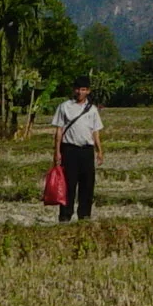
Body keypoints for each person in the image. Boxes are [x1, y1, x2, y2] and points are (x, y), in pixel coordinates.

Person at [51, 78, 103, 222]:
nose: (80, 92)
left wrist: (99, 151)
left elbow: (95, 132)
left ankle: (84, 216)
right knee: (68, 184)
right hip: (69, 150)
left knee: (87, 185)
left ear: (88, 91)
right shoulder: (64, 107)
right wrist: (57, 152)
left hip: (87, 151)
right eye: (78, 89)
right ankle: (65, 216)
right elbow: (59, 131)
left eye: (84, 89)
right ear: (74, 89)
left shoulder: (92, 109)